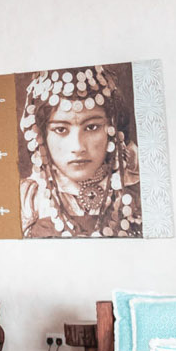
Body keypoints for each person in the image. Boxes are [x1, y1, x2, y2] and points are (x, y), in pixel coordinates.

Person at [17, 65, 142, 238]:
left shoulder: (139, 191)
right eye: (61, 129)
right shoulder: (29, 200)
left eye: (91, 127)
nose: (77, 147)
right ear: (41, 135)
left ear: (112, 128)